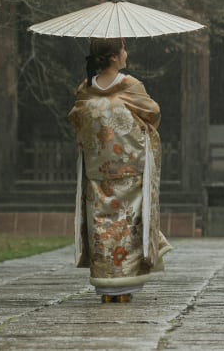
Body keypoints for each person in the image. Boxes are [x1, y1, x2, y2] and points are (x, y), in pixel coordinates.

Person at [68, 37, 171, 303]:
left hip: (98, 171)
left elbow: (77, 120)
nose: (126, 53)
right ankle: (123, 287)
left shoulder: (85, 88)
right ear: (115, 56)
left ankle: (106, 287)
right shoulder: (130, 85)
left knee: (101, 224)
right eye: (123, 49)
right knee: (127, 225)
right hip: (128, 169)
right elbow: (153, 114)